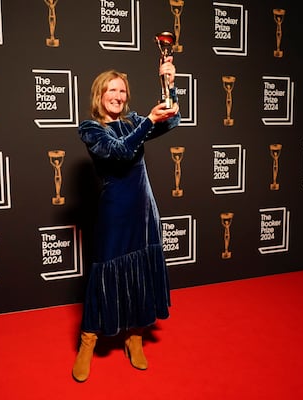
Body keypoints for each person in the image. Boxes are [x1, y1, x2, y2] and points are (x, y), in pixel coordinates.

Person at [71, 57, 181, 383]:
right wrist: (147, 120)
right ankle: (88, 343)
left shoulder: (134, 120)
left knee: (141, 276)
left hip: (143, 212)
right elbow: (119, 152)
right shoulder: (91, 129)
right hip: (114, 214)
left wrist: (169, 82)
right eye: (111, 90)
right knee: (104, 277)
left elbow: (173, 121)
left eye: (122, 90)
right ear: (99, 95)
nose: (117, 95)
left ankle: (135, 338)